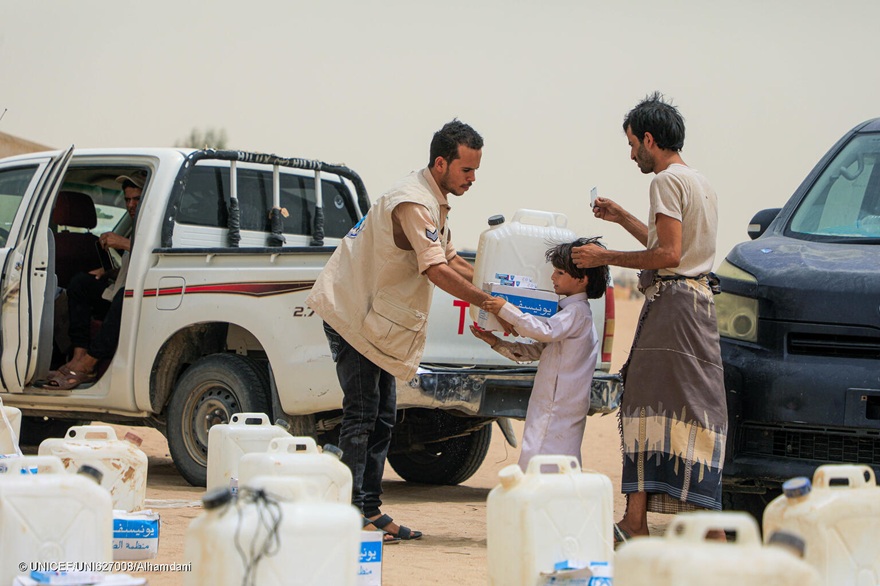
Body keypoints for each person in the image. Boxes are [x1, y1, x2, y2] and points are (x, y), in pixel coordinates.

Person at [306, 119, 506, 543]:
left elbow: (451, 259)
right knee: (362, 415)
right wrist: (488, 304)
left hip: (375, 321)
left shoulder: (433, 202)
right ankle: (349, 513)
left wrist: (497, 289)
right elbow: (436, 270)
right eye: (467, 169)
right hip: (354, 315)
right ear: (441, 163)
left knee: (382, 417)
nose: (473, 178)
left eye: (475, 170)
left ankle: (370, 509)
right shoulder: (413, 202)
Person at [571, 92, 727, 544]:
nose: (631, 154)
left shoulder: (664, 182)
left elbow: (669, 255)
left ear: (649, 139)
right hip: (695, 306)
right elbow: (673, 246)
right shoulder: (698, 181)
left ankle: (698, 530)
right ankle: (636, 521)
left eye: (632, 144)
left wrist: (604, 256)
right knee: (673, 410)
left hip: (673, 309)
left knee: (651, 408)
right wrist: (622, 217)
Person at [470, 237, 609, 470]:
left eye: (560, 272)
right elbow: (539, 350)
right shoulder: (569, 312)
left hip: (557, 404)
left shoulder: (576, 312)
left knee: (541, 455)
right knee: (553, 455)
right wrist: (497, 342)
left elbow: (544, 332)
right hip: (556, 402)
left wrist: (506, 309)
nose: (553, 277)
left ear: (582, 279)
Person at [44, 170, 146, 390]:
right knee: (81, 283)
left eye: (137, 199)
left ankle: (89, 364)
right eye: (127, 199)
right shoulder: (136, 227)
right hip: (116, 290)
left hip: (138, 301)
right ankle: (78, 355)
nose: (131, 205)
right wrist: (110, 272)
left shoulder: (153, 227)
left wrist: (124, 243)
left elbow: (156, 255)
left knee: (125, 296)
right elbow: (132, 268)